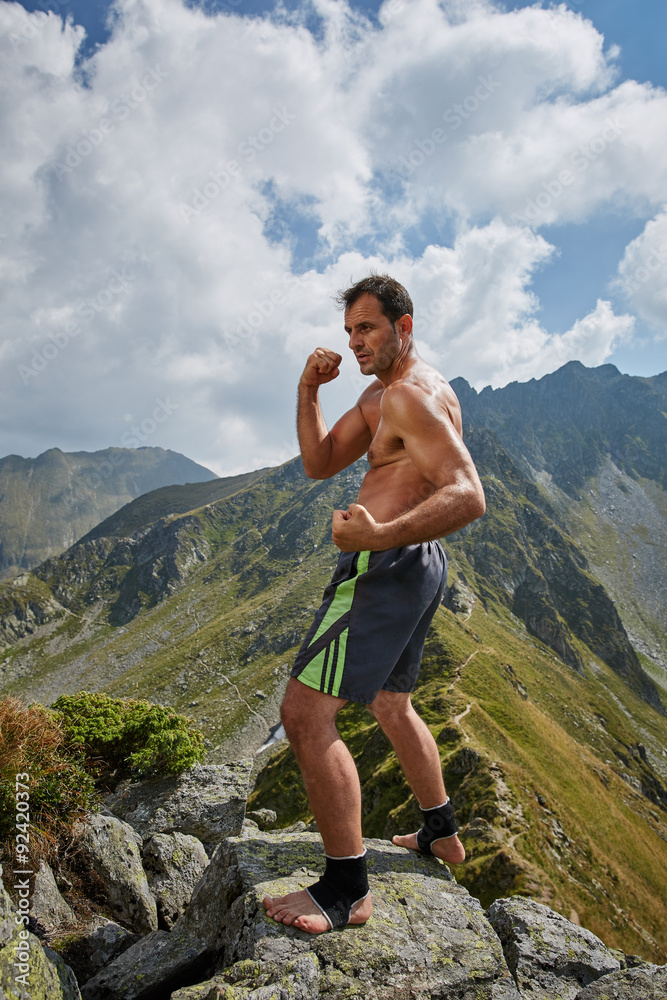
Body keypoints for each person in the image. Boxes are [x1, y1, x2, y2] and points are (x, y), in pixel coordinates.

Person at [263, 274, 485, 935]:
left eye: (367, 327)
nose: (355, 341)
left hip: (383, 566)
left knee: (303, 713)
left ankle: (344, 888)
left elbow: (468, 493)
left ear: (403, 326)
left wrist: (379, 536)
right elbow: (318, 461)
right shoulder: (379, 397)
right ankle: (440, 831)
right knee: (391, 703)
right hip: (410, 565)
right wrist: (307, 391)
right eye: (348, 331)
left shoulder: (412, 397)